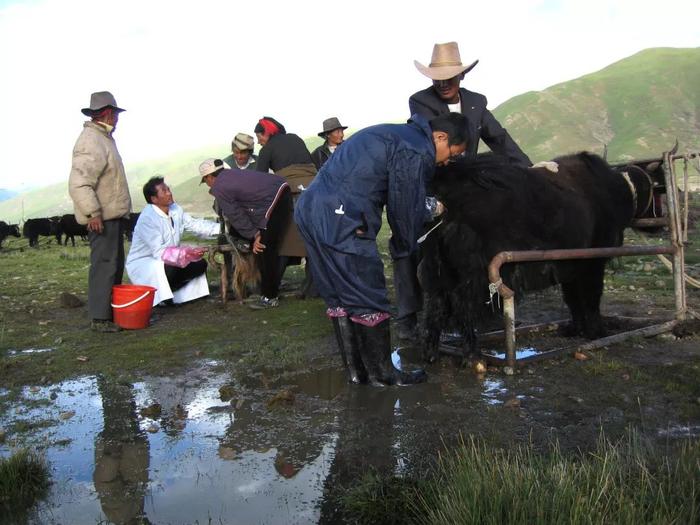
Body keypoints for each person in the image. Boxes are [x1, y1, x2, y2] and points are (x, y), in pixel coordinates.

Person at [294, 112, 468, 386]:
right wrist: (423, 223)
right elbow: (404, 205)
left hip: (310, 209)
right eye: (452, 154)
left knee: (340, 296)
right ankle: (384, 375)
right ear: (441, 137)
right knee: (366, 293)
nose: (447, 161)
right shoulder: (416, 148)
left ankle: (358, 372)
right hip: (342, 215)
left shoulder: (395, 134)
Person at [393, 41, 534, 339]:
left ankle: (486, 310)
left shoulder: (477, 102)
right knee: (412, 239)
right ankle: (408, 315)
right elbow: (425, 138)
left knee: (484, 243)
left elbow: (499, 138)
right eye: (438, 78)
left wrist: (530, 169)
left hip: (468, 187)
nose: (443, 83)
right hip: (434, 179)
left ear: (462, 76)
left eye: (450, 77)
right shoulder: (419, 101)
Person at [68, 91, 132, 333]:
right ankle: (100, 318)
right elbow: (79, 182)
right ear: (108, 113)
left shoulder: (102, 139)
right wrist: (92, 212)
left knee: (113, 264)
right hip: (101, 217)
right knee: (104, 264)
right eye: (116, 113)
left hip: (110, 215)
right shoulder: (91, 141)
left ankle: (109, 313)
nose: (117, 118)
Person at [200, 158, 293, 310]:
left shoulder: (219, 186)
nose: (208, 185)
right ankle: (268, 290)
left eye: (205, 181)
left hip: (274, 201)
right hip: (281, 189)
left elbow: (236, 215)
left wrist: (255, 235)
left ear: (209, 177)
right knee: (265, 245)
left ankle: (270, 297)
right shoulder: (232, 174)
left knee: (264, 248)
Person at [125, 177, 219, 306]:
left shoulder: (175, 209)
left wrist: (221, 229)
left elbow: (194, 224)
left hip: (171, 258)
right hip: (146, 262)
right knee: (170, 269)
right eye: (164, 191)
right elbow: (159, 252)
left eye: (168, 189)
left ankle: (172, 292)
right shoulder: (147, 219)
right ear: (154, 199)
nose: (169, 193)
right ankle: (162, 296)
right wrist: (187, 253)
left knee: (200, 264)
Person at [254, 116, 318, 297]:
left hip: (292, 195)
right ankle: (314, 289)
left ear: (267, 133)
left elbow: (260, 179)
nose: (259, 142)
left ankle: (269, 292)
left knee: (284, 241)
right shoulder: (295, 138)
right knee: (313, 239)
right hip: (315, 191)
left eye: (260, 137)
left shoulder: (267, 149)